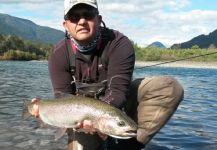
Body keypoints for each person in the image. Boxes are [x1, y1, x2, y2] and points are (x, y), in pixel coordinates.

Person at [47, 0, 184, 150]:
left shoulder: (119, 43)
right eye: (74, 17)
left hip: (117, 104)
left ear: (99, 19)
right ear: (65, 25)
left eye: (88, 15)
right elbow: (62, 98)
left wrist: (100, 120)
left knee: (168, 88)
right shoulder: (58, 54)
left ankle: (130, 144)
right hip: (79, 114)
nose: (82, 21)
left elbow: (118, 92)